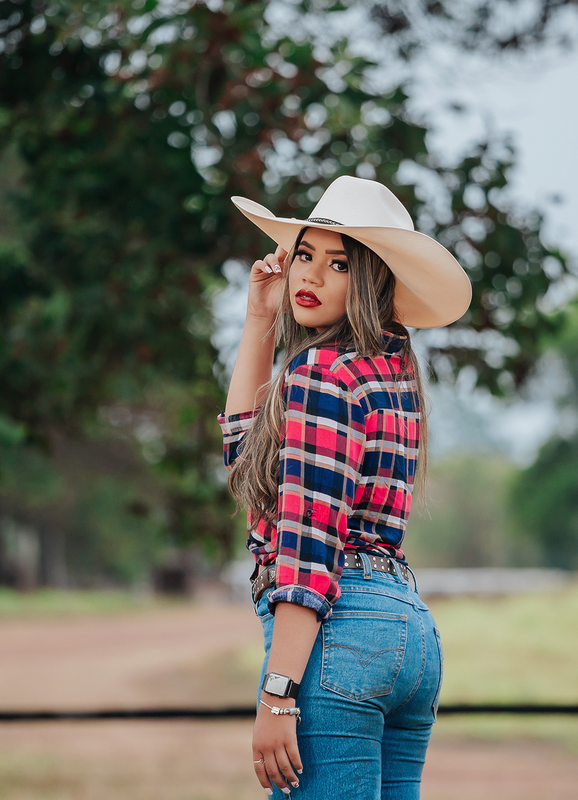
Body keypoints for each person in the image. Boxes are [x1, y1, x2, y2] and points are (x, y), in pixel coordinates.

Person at [219, 175, 472, 799]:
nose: (311, 276)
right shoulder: (393, 374)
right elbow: (247, 458)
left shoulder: (320, 373)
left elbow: (308, 539)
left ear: (371, 281)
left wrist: (277, 694)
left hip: (341, 636)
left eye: (339, 264)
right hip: (408, 635)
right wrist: (260, 318)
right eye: (305, 255)